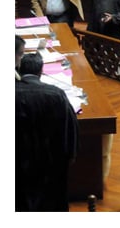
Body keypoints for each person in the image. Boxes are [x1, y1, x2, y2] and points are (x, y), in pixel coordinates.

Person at [16, 52, 79, 211]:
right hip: (52, 159)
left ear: (19, 69)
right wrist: (71, 154)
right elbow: (71, 126)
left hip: (20, 160)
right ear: (40, 71)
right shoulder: (56, 94)